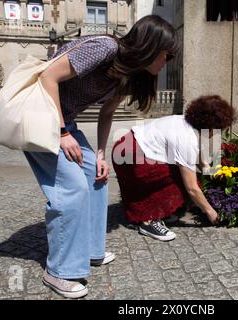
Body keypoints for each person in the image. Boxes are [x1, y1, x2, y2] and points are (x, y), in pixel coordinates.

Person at [24, 15, 179, 298]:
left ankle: (91, 251)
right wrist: (61, 132)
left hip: (64, 124)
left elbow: (107, 113)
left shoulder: (129, 74)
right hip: (38, 120)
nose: (167, 62)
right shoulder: (105, 48)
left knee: (97, 178)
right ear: (152, 45)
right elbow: (48, 76)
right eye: (167, 55)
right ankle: (59, 271)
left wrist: (100, 155)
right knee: (72, 187)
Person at [112, 95, 237, 241]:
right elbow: (192, 188)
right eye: (218, 130)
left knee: (182, 173)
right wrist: (212, 213)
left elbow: (199, 157)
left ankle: (157, 209)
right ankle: (149, 220)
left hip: (124, 147)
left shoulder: (183, 121)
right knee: (182, 179)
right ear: (210, 128)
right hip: (131, 159)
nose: (217, 134)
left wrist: (209, 170)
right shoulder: (187, 139)